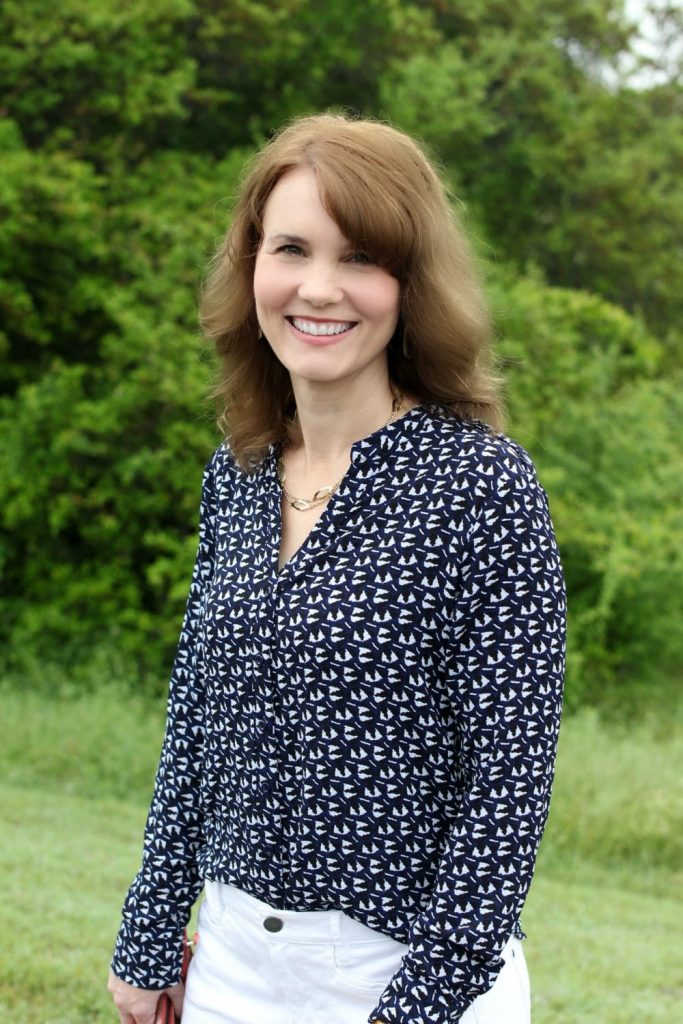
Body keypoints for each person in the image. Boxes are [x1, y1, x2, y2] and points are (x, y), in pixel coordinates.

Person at [108, 112, 566, 1024]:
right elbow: (200, 719)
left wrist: (420, 1006)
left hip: (409, 980)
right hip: (233, 968)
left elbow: (506, 786)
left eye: (361, 256)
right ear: (251, 267)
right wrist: (151, 933)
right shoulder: (236, 475)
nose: (319, 288)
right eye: (291, 249)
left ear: (410, 284)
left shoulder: (478, 484)